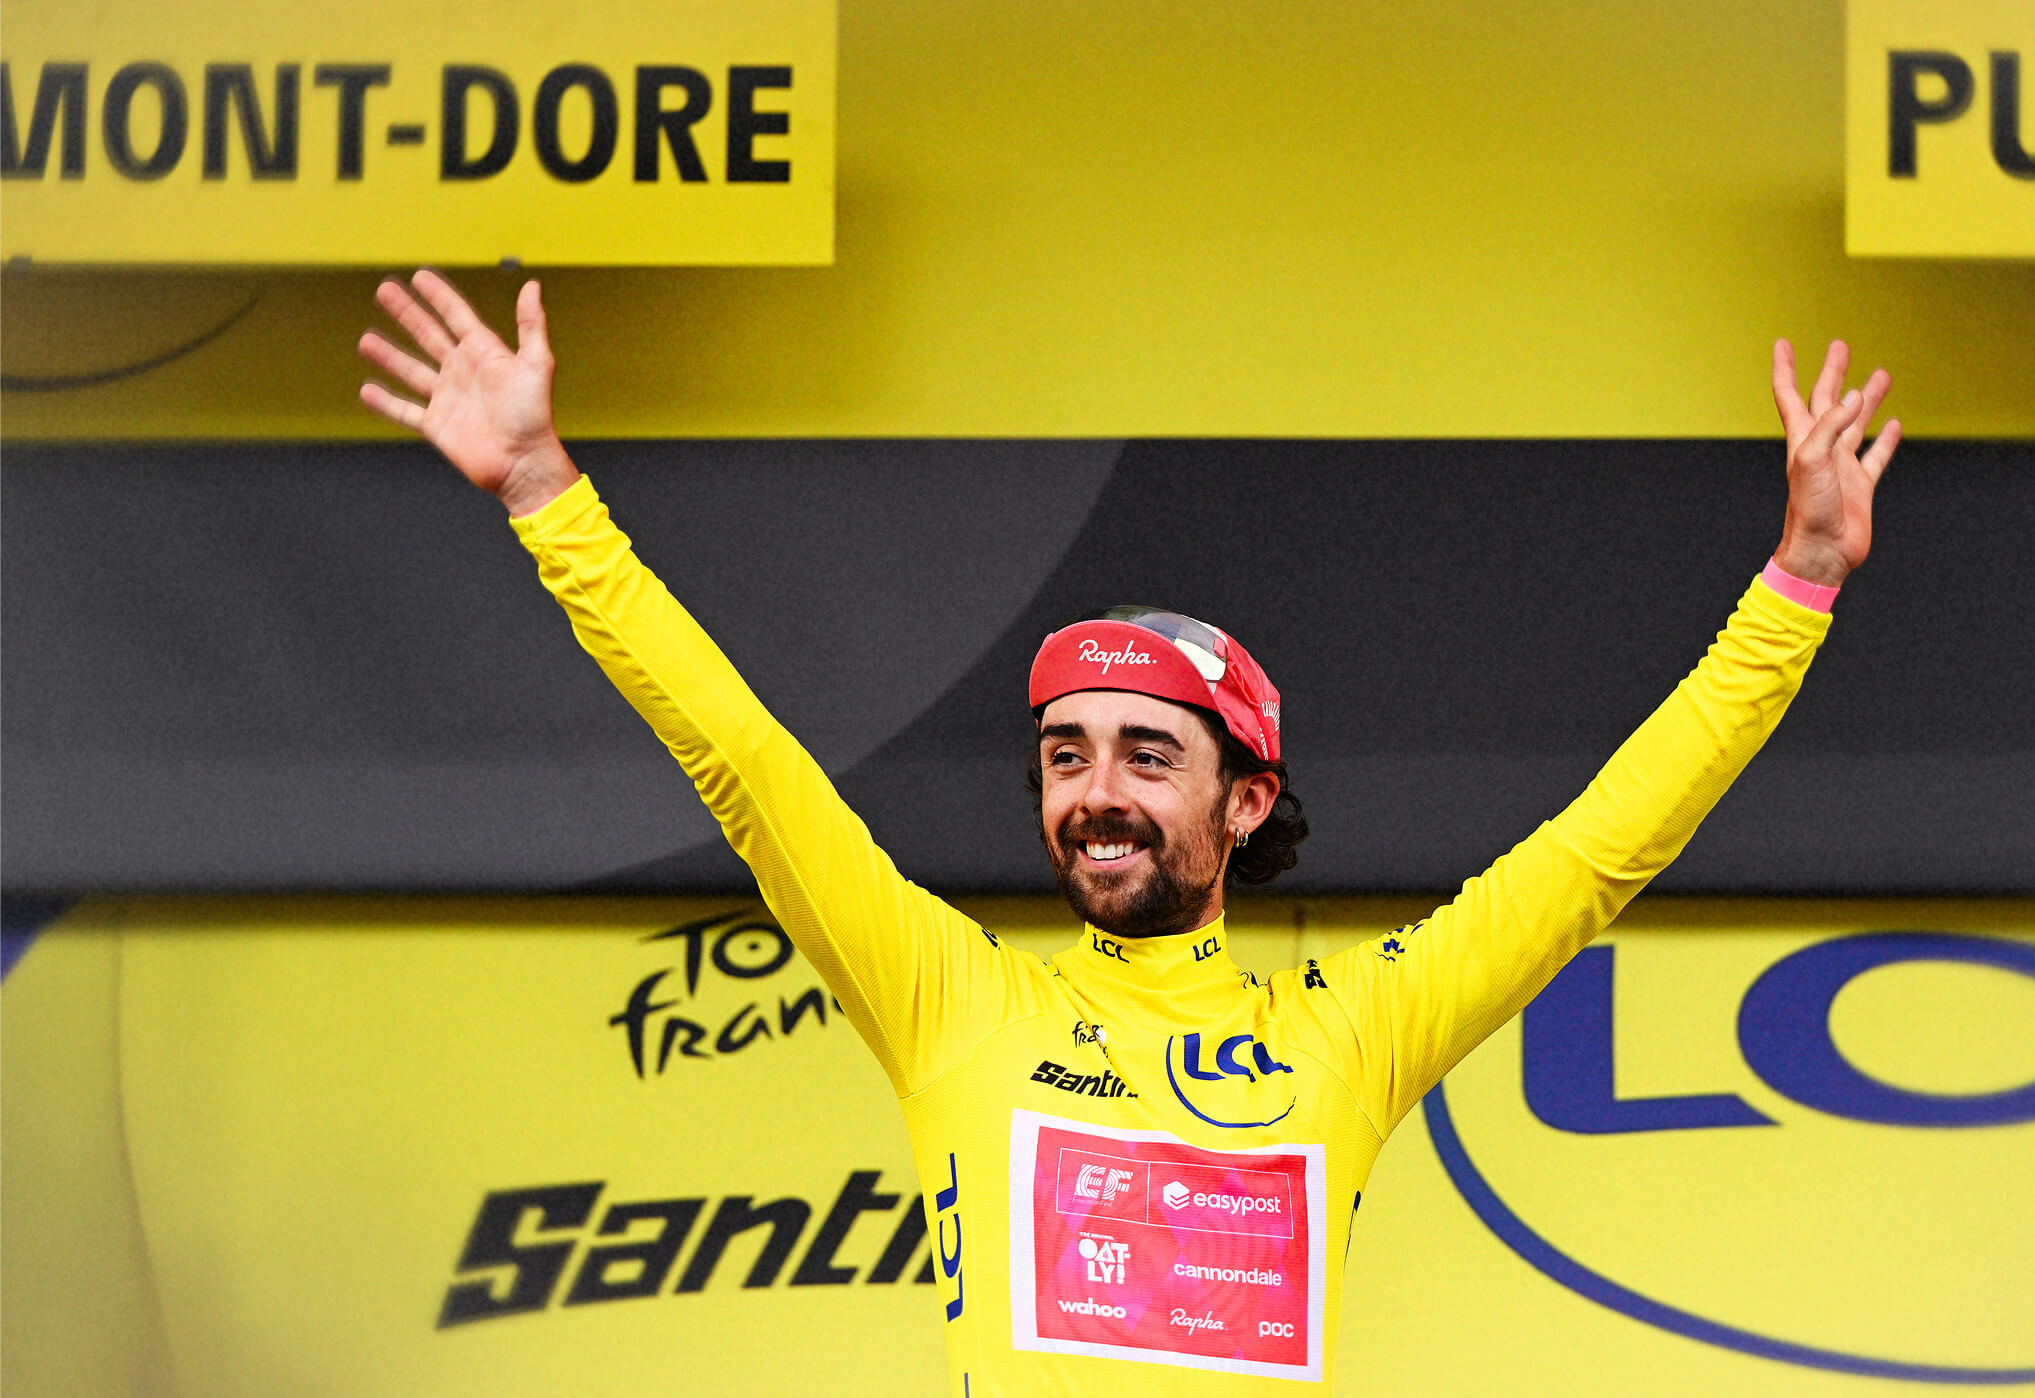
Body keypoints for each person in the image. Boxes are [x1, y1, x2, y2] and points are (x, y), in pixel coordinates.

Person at [358, 271, 1899, 1395]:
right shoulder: (955, 1000)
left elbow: (1598, 850)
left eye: (1146, 754)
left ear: (1244, 800)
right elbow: (744, 764)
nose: (1093, 790)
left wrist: (1801, 581)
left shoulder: (1348, 1033)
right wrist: (547, 491)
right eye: (1063, 754)